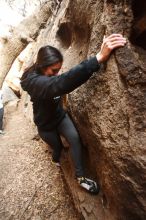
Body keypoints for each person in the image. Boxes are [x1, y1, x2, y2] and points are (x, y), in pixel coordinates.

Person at [21, 34, 126, 194]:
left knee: (74, 139)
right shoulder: (34, 82)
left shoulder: (48, 76)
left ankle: (80, 177)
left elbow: (61, 80)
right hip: (45, 125)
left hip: (59, 116)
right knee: (57, 147)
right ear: (42, 66)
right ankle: (56, 158)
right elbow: (59, 83)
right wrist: (97, 58)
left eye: (59, 70)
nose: (57, 74)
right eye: (54, 71)